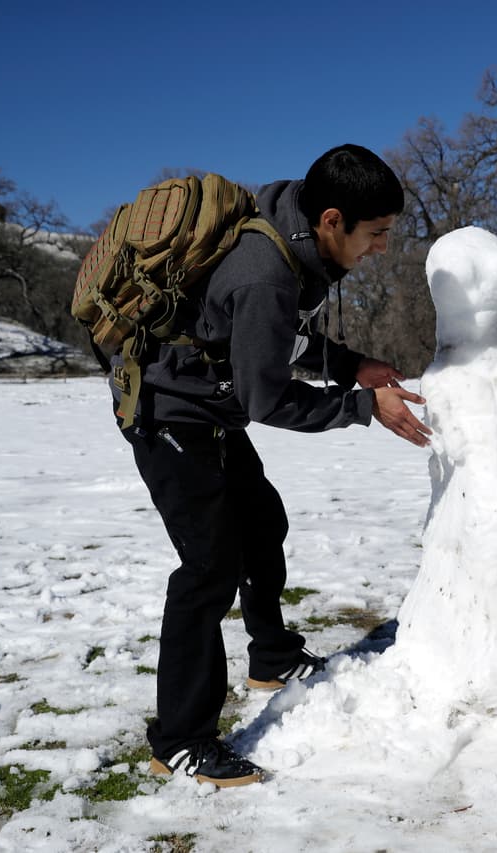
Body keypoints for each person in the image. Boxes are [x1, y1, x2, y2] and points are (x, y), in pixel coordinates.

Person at [114, 144, 432, 787]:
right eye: (376, 233)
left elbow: (272, 335)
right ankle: (180, 740)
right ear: (332, 220)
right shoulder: (266, 271)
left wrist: (350, 364)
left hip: (209, 404)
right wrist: (363, 406)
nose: (381, 248)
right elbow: (267, 397)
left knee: (262, 523)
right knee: (208, 568)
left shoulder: (296, 234)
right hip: (170, 412)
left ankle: (272, 657)